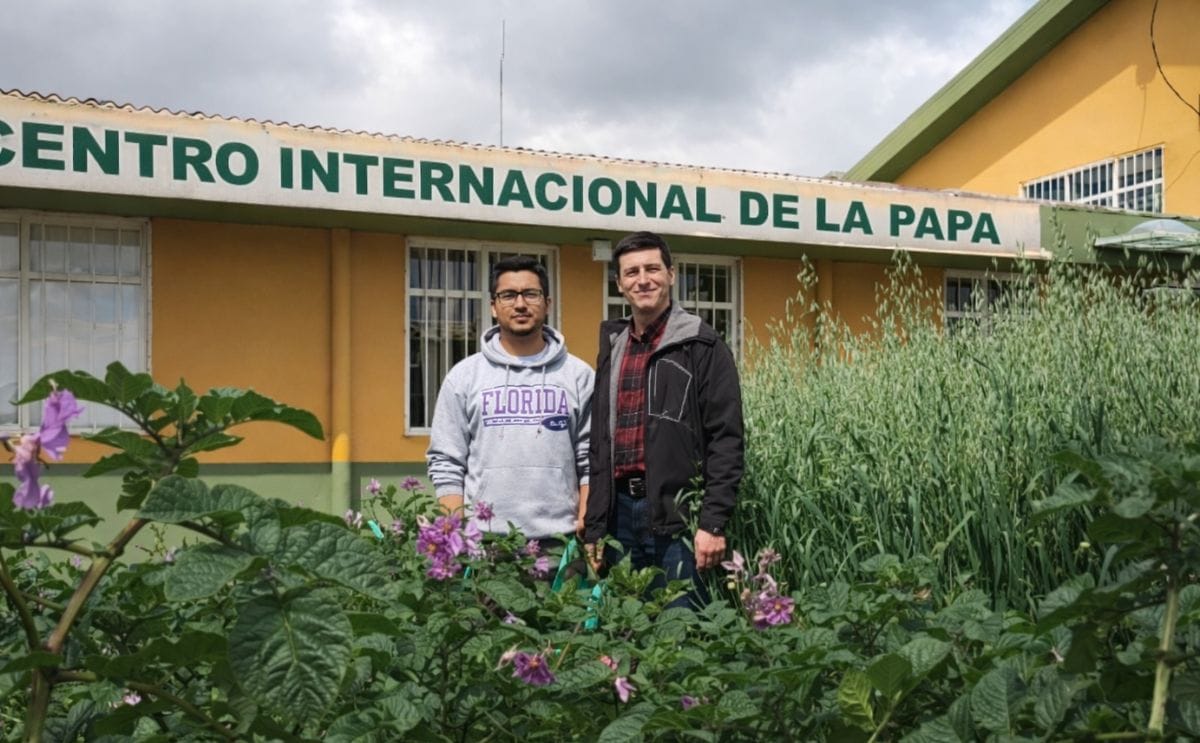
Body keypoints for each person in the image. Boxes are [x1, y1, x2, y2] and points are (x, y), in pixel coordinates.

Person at [584, 231, 744, 608]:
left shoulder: (703, 346)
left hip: (679, 521)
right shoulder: (613, 347)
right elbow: (599, 445)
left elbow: (726, 439)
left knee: (682, 634)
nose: (643, 279)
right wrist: (595, 528)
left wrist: (713, 523)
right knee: (624, 633)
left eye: (653, 268)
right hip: (619, 518)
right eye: (632, 272)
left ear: (671, 274)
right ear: (620, 284)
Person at [426, 255, 594, 541]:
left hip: (562, 542)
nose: (519, 304)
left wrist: (586, 522)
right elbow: (446, 461)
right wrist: (457, 534)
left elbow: (591, 459)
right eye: (508, 295)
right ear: (493, 306)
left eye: (531, 293)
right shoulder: (464, 376)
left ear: (548, 303)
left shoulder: (578, 376)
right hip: (485, 544)